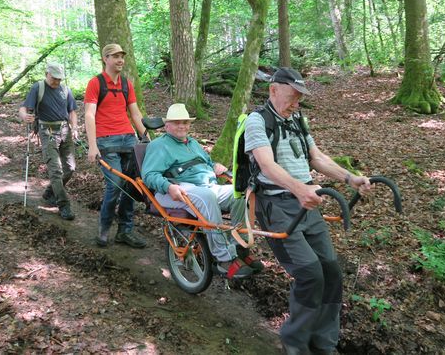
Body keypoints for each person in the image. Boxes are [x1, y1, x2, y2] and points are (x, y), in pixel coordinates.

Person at [244, 67, 373, 355]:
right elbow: (267, 165)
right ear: (273, 90)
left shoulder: (298, 119)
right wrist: (299, 189)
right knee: (310, 273)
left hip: (308, 202)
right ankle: (294, 341)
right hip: (277, 205)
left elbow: (316, 158)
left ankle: (324, 342)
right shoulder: (257, 121)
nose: (296, 103)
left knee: (331, 271)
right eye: (292, 96)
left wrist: (349, 178)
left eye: (300, 98)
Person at [141, 103, 263, 279]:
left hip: (207, 186)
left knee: (241, 194)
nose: (182, 125)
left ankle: (239, 247)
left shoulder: (193, 143)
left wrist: (214, 166)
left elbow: (206, 162)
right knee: (206, 197)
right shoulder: (159, 146)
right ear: (167, 125)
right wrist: (169, 186)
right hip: (175, 190)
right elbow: (149, 175)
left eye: (185, 122)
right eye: (176, 122)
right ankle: (223, 259)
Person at [85, 43, 147, 249]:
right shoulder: (95, 83)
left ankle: (125, 231)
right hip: (106, 140)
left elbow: (135, 113)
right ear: (105, 59)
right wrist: (92, 145)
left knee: (132, 184)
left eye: (122, 56)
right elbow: (89, 114)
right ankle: (104, 229)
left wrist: (146, 138)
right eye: (115, 56)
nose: (120, 60)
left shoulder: (127, 84)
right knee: (116, 185)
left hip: (129, 138)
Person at [19, 63, 78, 220]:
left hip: (66, 131)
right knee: (55, 169)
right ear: (47, 74)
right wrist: (25, 116)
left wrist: (75, 127)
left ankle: (50, 191)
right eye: (54, 78)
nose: (57, 82)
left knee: (70, 168)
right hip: (47, 131)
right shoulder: (38, 87)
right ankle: (64, 205)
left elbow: (72, 112)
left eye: (59, 79)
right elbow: (24, 108)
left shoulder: (66, 90)